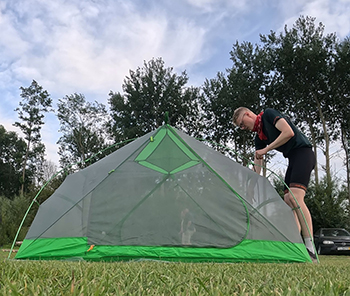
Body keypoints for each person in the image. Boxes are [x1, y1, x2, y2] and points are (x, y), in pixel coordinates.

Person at [232, 107, 317, 262]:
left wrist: (267, 149)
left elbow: (288, 132)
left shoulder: (268, 115)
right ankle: (294, 245)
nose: (243, 129)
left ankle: (311, 249)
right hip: (293, 157)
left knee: (296, 197)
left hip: (303, 153)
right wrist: (248, 191)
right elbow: (257, 167)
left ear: (248, 114)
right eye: (240, 128)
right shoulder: (259, 137)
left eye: (242, 124)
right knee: (288, 200)